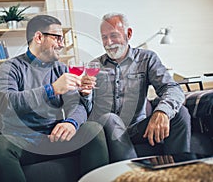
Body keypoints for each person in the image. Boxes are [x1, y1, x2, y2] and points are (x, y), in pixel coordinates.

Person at [0, 14, 109, 182]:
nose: (62, 44)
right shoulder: (10, 67)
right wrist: (51, 90)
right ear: (38, 37)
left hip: (54, 137)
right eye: (58, 38)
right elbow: (4, 103)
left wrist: (71, 122)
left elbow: (76, 105)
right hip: (23, 141)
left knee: (93, 129)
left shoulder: (61, 69)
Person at [80, 13, 191, 162]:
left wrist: (162, 111)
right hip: (107, 129)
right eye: (104, 37)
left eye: (113, 35)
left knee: (180, 113)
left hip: (137, 129)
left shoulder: (147, 59)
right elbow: (86, 110)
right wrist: (85, 95)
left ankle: (179, 172)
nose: (109, 42)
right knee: (111, 119)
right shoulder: (94, 66)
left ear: (129, 34)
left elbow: (172, 88)